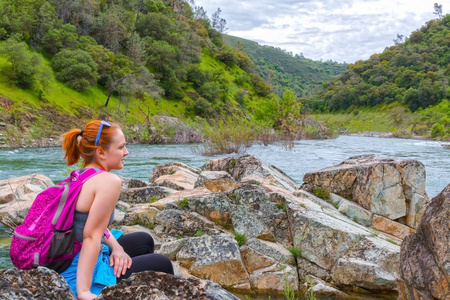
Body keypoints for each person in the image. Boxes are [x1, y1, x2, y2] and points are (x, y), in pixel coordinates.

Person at [58, 119, 174, 300]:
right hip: (80, 273)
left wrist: (117, 248)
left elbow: (91, 225)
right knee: (163, 264)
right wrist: (84, 292)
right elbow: (90, 236)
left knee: (144, 240)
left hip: (69, 258)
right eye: (121, 147)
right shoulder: (109, 181)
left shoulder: (81, 174)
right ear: (101, 152)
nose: (126, 152)